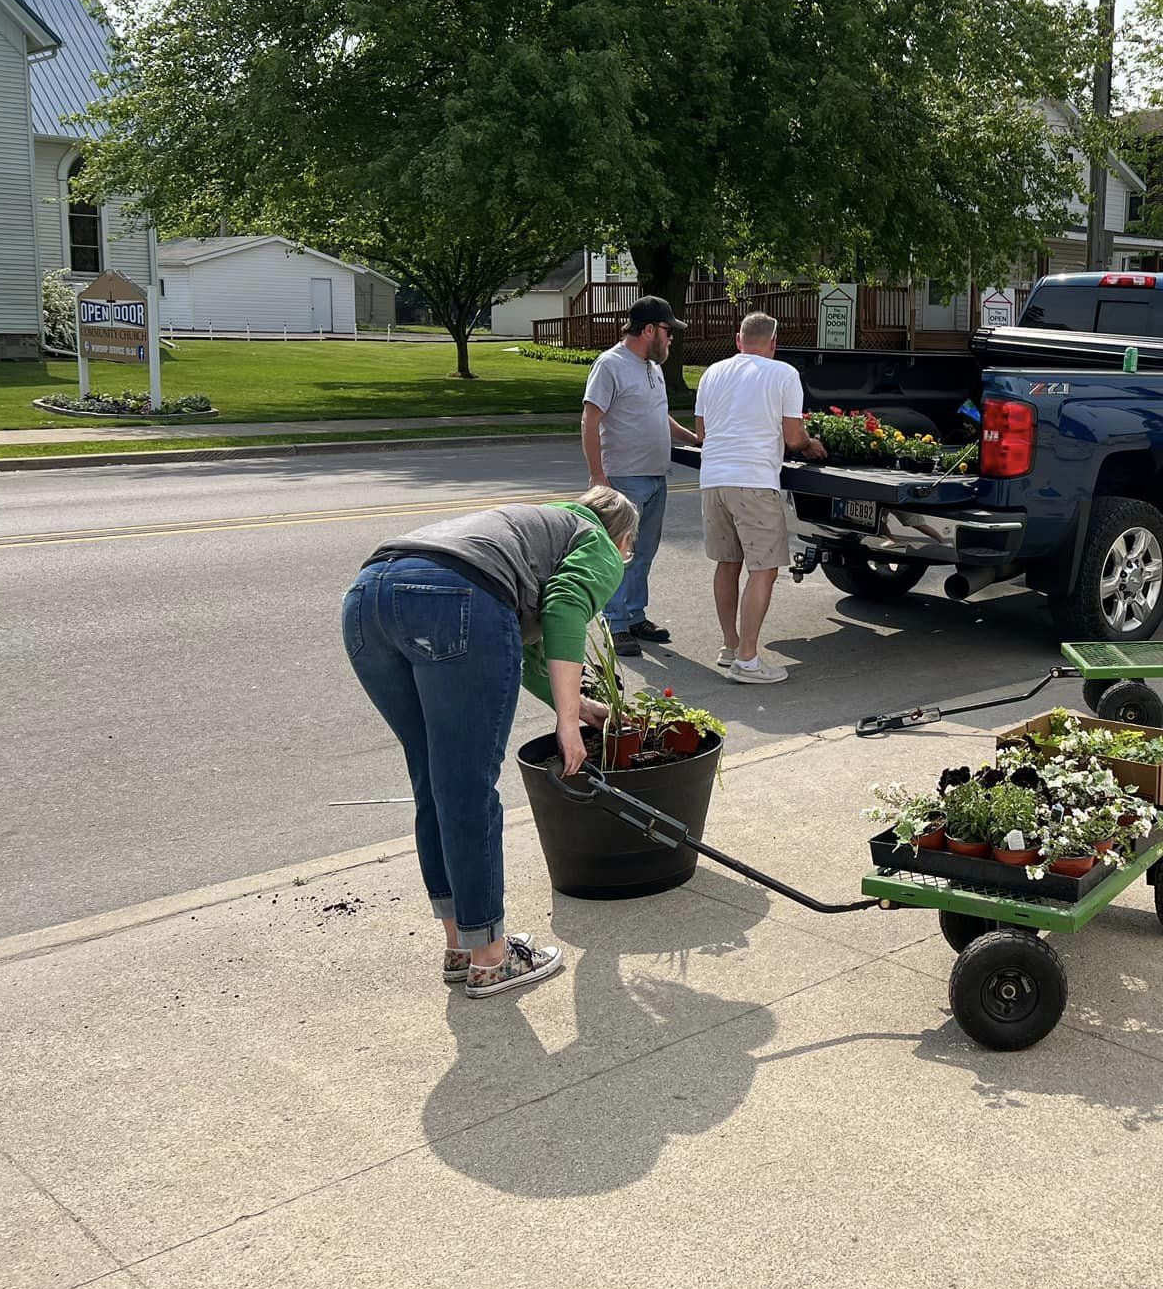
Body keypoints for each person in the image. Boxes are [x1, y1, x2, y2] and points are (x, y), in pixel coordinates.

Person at [343, 487, 638, 998]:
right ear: (625, 539)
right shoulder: (599, 542)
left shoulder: (535, 529)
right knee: (467, 790)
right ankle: (492, 960)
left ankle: (461, 945)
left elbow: (512, 646)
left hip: (368, 598)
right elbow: (565, 609)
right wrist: (569, 723)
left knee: (435, 783)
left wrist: (574, 705)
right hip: (454, 599)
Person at [693, 311, 826, 683]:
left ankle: (731, 646)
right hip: (752, 479)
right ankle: (748, 662)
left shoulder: (712, 373)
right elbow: (793, 437)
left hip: (713, 478)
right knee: (764, 569)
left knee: (727, 563)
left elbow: (702, 431)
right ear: (773, 343)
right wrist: (811, 445)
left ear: (738, 340)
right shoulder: (783, 373)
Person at [582, 295, 700, 657]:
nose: (671, 339)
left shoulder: (653, 368)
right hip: (624, 478)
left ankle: (634, 615)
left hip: (655, 475)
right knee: (620, 554)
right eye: (668, 331)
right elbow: (591, 419)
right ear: (649, 329)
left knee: (644, 552)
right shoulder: (610, 365)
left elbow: (657, 415)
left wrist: (693, 439)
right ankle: (615, 623)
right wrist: (597, 475)